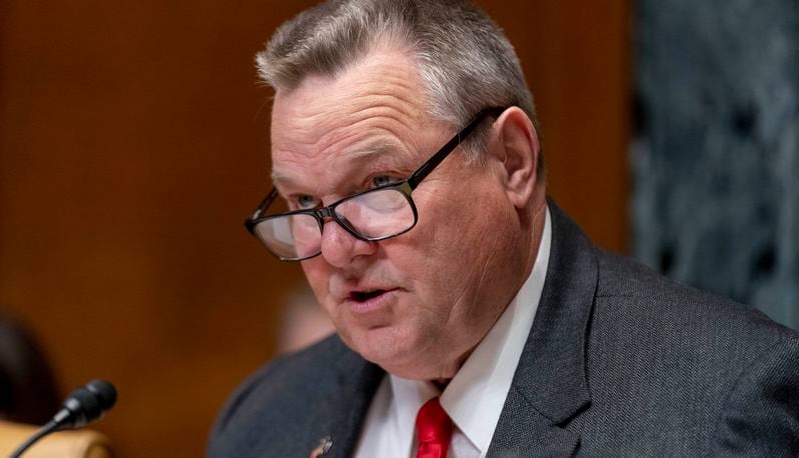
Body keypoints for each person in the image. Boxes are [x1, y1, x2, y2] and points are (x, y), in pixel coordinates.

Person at [209, 0, 799, 456]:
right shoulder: (264, 420)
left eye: (378, 188)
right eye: (305, 200)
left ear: (512, 161)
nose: (336, 250)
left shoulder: (720, 410)